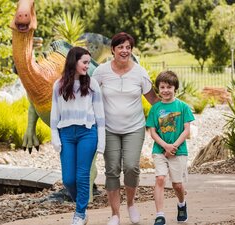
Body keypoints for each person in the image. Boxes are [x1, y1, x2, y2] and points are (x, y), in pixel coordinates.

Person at [92, 32, 159, 225]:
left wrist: (170, 114)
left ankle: (130, 204)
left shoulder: (139, 72)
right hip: (109, 129)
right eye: (120, 47)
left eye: (128, 47)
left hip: (134, 127)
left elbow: (153, 100)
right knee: (112, 169)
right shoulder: (102, 71)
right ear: (113, 49)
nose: (124, 51)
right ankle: (115, 214)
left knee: (131, 166)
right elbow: (90, 96)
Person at [50, 46, 105, 225]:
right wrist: (55, 137)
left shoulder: (92, 84)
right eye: (85, 62)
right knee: (68, 179)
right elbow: (54, 114)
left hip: (87, 133)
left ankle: (80, 213)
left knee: (82, 176)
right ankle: (80, 206)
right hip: (66, 134)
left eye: (89, 63)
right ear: (74, 61)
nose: (88, 66)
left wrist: (101, 141)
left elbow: (100, 115)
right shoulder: (58, 85)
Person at [146, 71, 195, 225]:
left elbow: (187, 130)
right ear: (158, 89)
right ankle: (160, 215)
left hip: (179, 151)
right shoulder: (155, 109)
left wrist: (173, 146)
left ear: (175, 88)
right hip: (160, 150)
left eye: (169, 87)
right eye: (162, 87)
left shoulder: (183, 107)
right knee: (160, 179)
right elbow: (152, 132)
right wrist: (165, 146)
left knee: (177, 184)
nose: (165, 90)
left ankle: (181, 204)